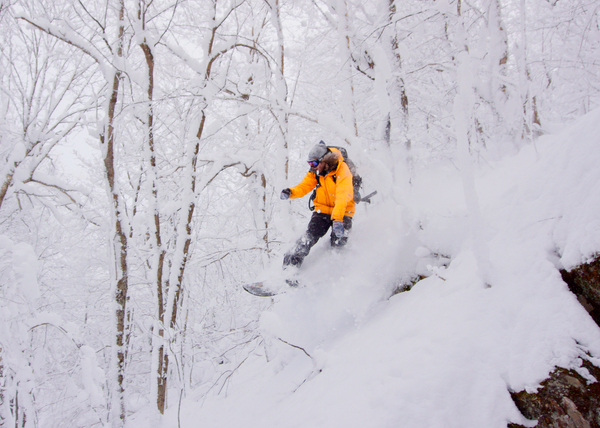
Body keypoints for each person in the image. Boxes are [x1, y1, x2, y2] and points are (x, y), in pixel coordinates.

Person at [280, 141, 356, 269]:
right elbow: (305, 186)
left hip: (342, 212)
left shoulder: (343, 170)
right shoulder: (316, 171)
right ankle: (288, 271)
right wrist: (291, 192)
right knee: (307, 239)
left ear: (324, 161)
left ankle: (335, 274)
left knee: (338, 243)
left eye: (314, 163)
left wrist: (337, 219)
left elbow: (343, 196)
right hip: (322, 211)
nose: (312, 166)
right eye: (309, 163)